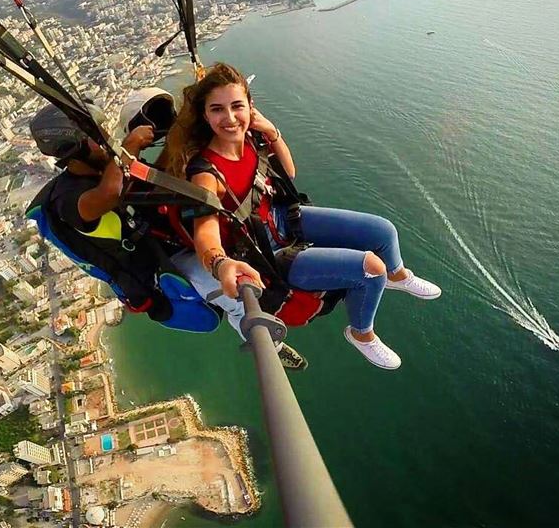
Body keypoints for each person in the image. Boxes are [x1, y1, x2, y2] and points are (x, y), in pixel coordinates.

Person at [162, 63, 441, 369]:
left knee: (383, 232)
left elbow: (289, 172)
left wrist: (269, 130)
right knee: (371, 269)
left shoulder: (250, 139)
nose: (229, 118)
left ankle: (398, 277)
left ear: (250, 107)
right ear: (205, 115)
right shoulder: (205, 174)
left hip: (282, 218)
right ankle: (362, 334)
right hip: (267, 253)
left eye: (237, 106)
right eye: (217, 109)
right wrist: (220, 262)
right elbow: (205, 233)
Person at [26, 93, 308, 369]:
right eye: (98, 139)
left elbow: (159, 178)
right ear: (75, 150)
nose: (108, 143)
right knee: (233, 293)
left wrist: (179, 130)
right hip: (162, 264)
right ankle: (268, 346)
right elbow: (110, 194)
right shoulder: (68, 198)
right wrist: (129, 147)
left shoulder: (106, 169)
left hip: (173, 238)